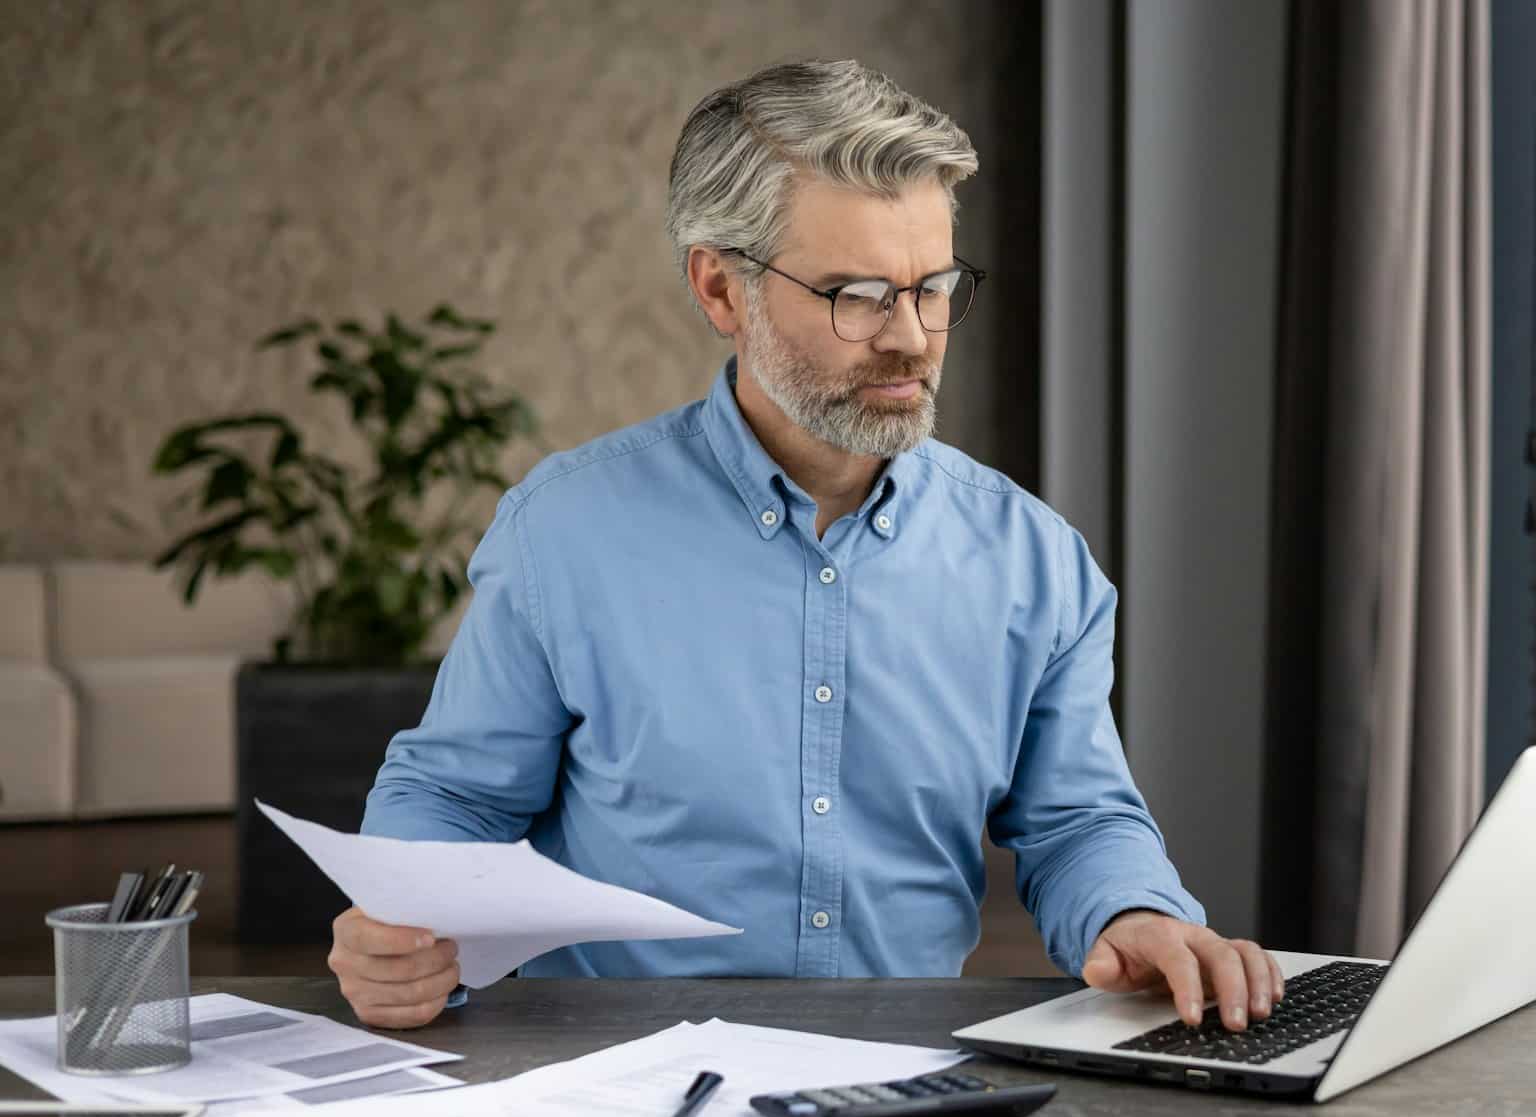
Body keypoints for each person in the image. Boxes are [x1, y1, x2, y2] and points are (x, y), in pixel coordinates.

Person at [334, 59, 1284, 1033]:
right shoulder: (564, 533)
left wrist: (1137, 913)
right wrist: (402, 934)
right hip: (608, 1083)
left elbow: (1075, 818)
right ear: (719, 287)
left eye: (933, 288)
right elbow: (454, 796)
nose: (911, 339)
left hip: (903, 1085)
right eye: (858, 294)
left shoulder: (1033, 562)